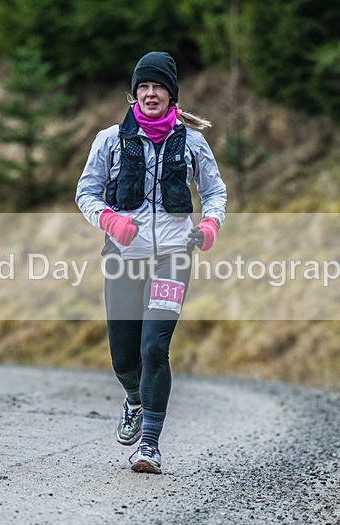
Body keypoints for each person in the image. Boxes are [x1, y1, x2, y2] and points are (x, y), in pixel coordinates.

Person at [76, 51, 227, 474]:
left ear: (171, 94)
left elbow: (215, 193)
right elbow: (85, 192)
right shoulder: (109, 140)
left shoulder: (192, 142)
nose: (150, 93)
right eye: (143, 86)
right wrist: (109, 219)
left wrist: (211, 225)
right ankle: (134, 398)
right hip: (124, 258)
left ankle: (149, 447)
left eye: (158, 86)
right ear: (134, 93)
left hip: (173, 257)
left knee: (155, 348)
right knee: (124, 358)